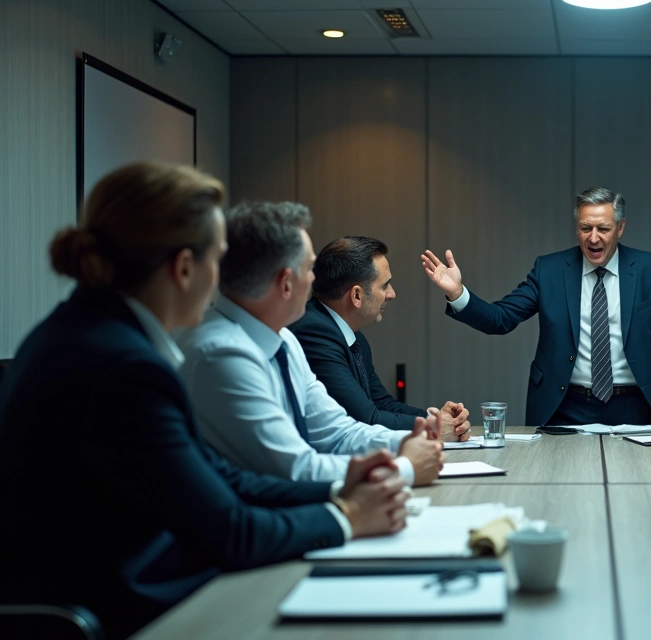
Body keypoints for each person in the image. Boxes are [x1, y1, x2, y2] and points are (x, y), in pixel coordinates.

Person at [0, 163, 407, 638]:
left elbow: (219, 477)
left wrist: (339, 488)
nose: (225, 279)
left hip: (124, 587)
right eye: (218, 259)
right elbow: (230, 531)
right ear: (185, 268)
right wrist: (348, 516)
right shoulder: (123, 366)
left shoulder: (85, 334)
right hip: (125, 610)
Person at [421, 187, 651, 426]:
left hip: (639, 406)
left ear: (620, 228)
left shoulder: (650, 269)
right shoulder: (550, 270)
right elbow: (501, 319)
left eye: (603, 228)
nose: (593, 238)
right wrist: (458, 293)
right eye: (585, 228)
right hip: (565, 407)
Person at [178, 201, 445, 486]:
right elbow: (293, 468)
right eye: (308, 268)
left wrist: (416, 438)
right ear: (286, 283)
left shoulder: (284, 340)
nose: (315, 281)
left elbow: (338, 433)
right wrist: (404, 468)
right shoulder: (222, 354)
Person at [291, 235, 469, 439]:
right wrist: (434, 427)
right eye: (385, 286)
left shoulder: (352, 337)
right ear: (356, 295)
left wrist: (439, 419)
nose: (392, 294)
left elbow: (382, 403)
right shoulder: (314, 333)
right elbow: (366, 418)